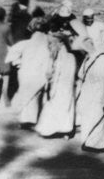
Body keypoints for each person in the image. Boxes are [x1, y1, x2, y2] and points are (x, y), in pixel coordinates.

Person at [36, 9, 78, 138]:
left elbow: (54, 55)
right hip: (67, 62)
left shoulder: (59, 36)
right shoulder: (64, 33)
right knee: (62, 97)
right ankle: (62, 129)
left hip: (64, 65)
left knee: (59, 97)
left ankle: (59, 128)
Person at [6, 14, 51, 127]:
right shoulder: (47, 41)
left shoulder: (27, 42)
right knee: (37, 95)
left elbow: (12, 52)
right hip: (40, 70)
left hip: (26, 70)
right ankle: (34, 119)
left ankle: (26, 119)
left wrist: (17, 62)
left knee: (27, 94)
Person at [76, 40, 104, 151]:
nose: (86, 47)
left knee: (97, 115)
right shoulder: (88, 58)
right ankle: (88, 141)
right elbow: (81, 74)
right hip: (88, 91)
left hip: (99, 92)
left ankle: (98, 143)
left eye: (90, 44)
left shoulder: (102, 59)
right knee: (88, 116)